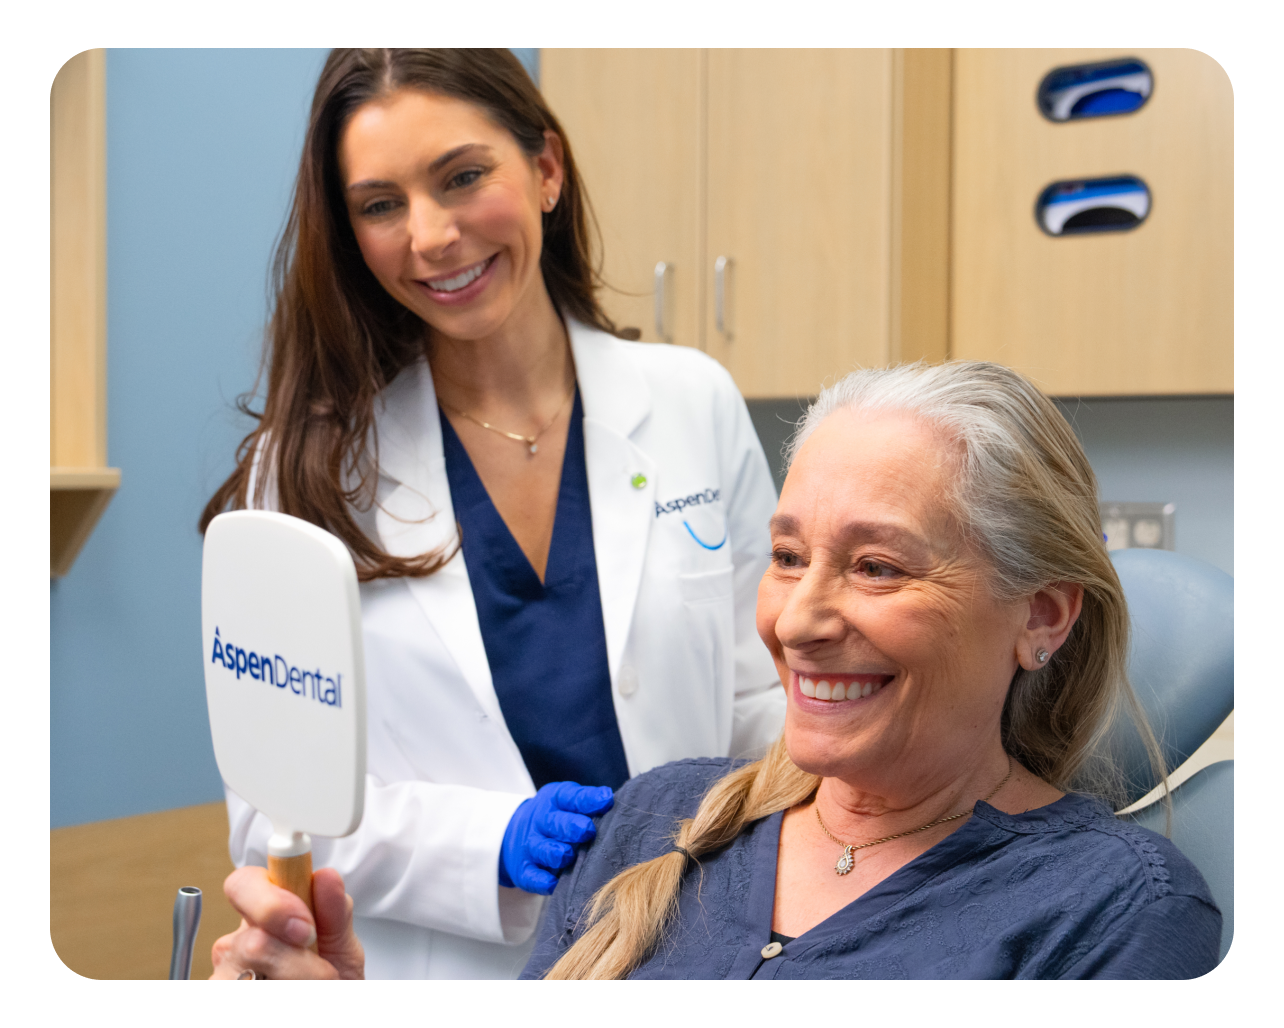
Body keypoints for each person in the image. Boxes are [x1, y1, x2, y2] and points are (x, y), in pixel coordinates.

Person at [210, 361, 1222, 980]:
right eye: (786, 555)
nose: (801, 617)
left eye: (876, 564)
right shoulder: (656, 825)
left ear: (1040, 615)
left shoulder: (1113, 912)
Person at [199, 48, 784, 980]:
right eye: (381, 204)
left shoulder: (691, 404)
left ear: (546, 170)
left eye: (464, 177)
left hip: (695, 947)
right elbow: (274, 808)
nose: (431, 235)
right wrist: (489, 841)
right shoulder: (309, 469)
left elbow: (770, 704)